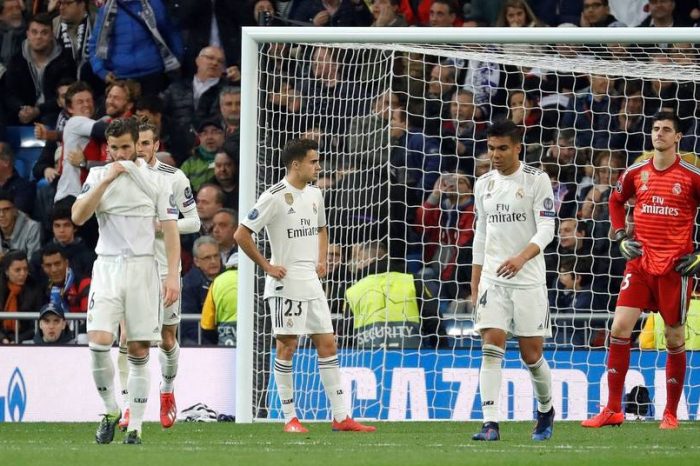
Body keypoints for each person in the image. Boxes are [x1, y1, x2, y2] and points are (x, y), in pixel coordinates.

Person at [235, 138, 375, 433]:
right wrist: (267, 266)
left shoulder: (315, 194)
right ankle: (289, 418)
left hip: (311, 282)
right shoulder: (273, 196)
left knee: (327, 343)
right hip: (285, 284)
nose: (318, 166)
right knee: (288, 345)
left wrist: (321, 259)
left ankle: (340, 417)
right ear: (296, 164)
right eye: (313, 161)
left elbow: (322, 228)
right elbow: (241, 234)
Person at [582, 111, 700, 430]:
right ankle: (612, 409)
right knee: (620, 328)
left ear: (678, 137)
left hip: (676, 266)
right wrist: (621, 236)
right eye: (655, 129)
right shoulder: (636, 171)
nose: (659, 134)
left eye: (666, 130)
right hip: (641, 262)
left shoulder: (692, 174)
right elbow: (616, 202)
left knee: (675, 336)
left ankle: (670, 413)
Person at [71, 117, 180, 445]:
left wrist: (172, 275)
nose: (119, 153)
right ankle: (109, 409)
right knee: (99, 342)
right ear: (107, 147)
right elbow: (77, 217)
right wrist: (107, 181)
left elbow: (171, 228)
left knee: (137, 348)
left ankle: (136, 428)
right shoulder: (97, 175)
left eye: (125, 147)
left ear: (138, 146)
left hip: (143, 269)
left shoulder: (158, 181)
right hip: (107, 267)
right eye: (113, 148)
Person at [470, 119, 556, 442]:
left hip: (529, 279)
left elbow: (547, 229)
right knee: (491, 345)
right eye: (491, 148)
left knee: (531, 355)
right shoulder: (483, 184)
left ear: (518, 147)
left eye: (502, 148)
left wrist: (521, 258)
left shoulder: (537, 180)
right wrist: (475, 279)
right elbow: (481, 233)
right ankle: (490, 423)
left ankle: (546, 410)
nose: (495, 155)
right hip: (494, 279)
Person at [115, 120, 200, 430]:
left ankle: (166, 390)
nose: (141, 149)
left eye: (147, 143)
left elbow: (194, 222)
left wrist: (163, 225)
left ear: (156, 145)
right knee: (126, 336)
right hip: (131, 266)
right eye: (137, 143)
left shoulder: (174, 178)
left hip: (165, 269)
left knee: (166, 337)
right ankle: (127, 405)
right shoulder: (121, 176)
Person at [0, 250, 44, 345]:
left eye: (25, 269)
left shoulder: (35, 289)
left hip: (26, 341)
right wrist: (3, 338)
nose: (23, 273)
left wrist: (17, 340)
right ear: (7, 272)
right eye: (17, 270)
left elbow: (38, 323)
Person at [200, 252, 239, 346]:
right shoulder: (258, 280)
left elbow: (207, 324)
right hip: (255, 339)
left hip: (226, 340)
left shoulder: (218, 281)